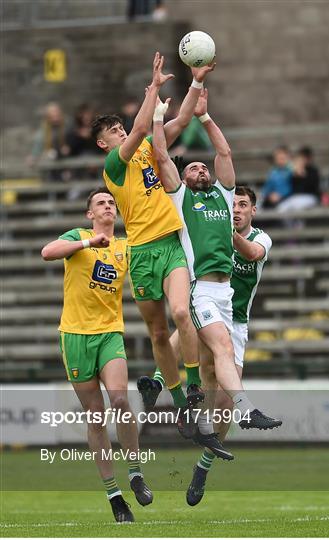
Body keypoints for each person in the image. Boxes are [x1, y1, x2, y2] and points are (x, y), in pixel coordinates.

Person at [151, 90, 281, 459]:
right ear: (184, 179)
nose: (201, 169)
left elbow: (223, 153)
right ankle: (245, 410)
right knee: (219, 349)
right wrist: (159, 118)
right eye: (193, 168)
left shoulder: (224, 198)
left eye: (201, 167)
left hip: (226, 296)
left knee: (217, 365)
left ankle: (204, 420)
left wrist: (206, 119)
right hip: (201, 290)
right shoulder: (182, 199)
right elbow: (161, 156)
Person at [91, 52, 215, 439]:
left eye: (119, 127)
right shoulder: (114, 163)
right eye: (113, 130)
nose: (120, 132)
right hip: (140, 253)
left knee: (182, 311)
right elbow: (144, 122)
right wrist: (154, 88)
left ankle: (192, 385)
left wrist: (195, 82)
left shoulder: (145, 147)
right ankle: (179, 404)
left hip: (169, 244)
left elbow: (178, 120)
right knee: (159, 335)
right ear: (103, 143)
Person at [41, 188, 153, 523]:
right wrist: (88, 244)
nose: (108, 207)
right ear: (90, 214)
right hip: (75, 336)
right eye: (101, 203)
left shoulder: (124, 247)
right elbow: (48, 251)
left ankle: (134, 472)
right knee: (95, 416)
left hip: (109, 334)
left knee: (119, 399)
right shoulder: (80, 237)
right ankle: (115, 496)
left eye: (111, 203)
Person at [186, 186, 274, 505]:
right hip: (208, 305)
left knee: (224, 403)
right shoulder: (212, 231)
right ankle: (168, 389)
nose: (236, 209)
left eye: (242, 205)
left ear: (253, 211)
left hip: (236, 322)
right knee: (181, 328)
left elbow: (251, 254)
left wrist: (223, 225)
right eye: (232, 204)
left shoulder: (262, 238)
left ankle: (203, 467)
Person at [277, 146, 321, 212]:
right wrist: (294, 175)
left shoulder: (313, 171)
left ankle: (298, 222)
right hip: (295, 197)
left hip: (310, 197)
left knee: (296, 206)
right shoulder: (294, 171)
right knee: (281, 208)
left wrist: (303, 175)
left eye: (303, 158)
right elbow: (290, 186)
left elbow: (313, 187)